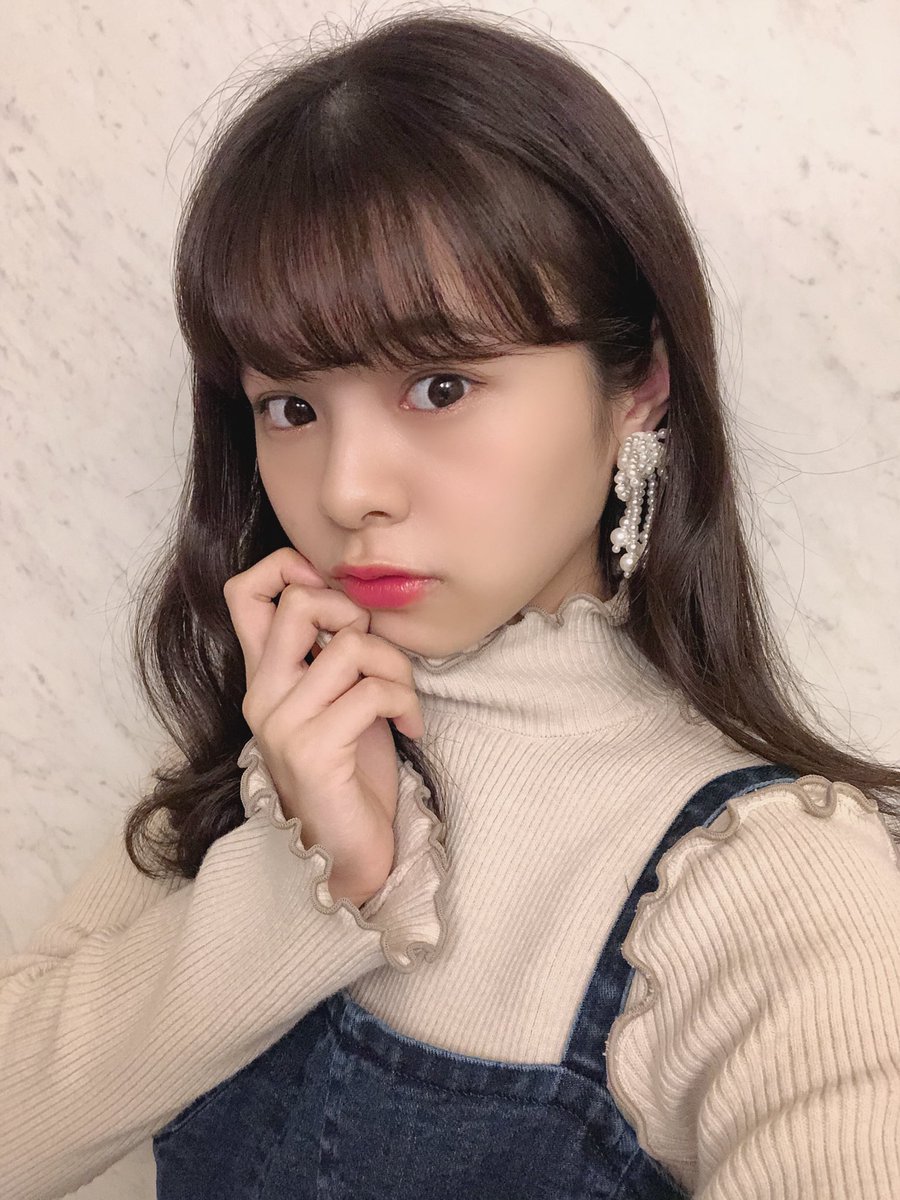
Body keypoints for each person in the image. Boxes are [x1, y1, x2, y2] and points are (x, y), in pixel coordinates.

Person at [3, 9, 899, 1199]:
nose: (346, 490)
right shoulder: (289, 737)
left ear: (638, 384)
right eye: (290, 406)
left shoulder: (776, 881)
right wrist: (315, 879)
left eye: (438, 385)